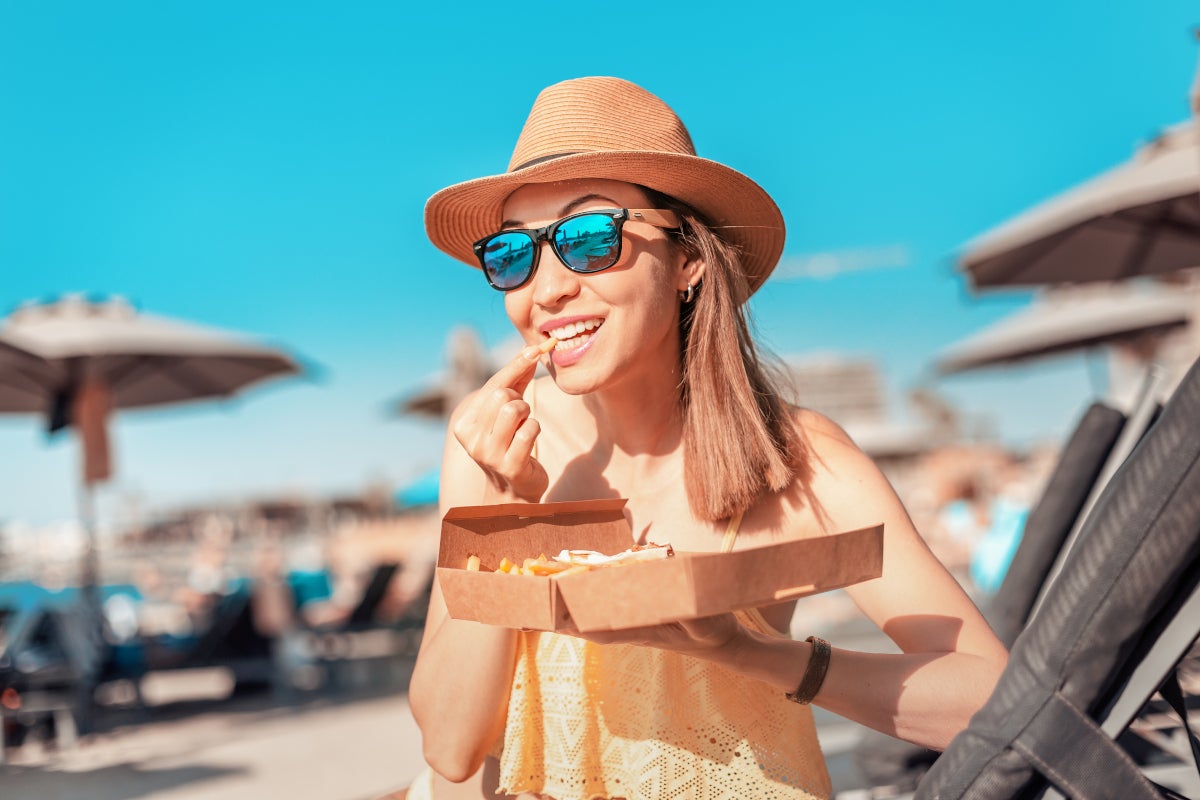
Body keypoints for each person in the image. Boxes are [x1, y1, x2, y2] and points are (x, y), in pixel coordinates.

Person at [405, 77, 1008, 800]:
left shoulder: (795, 458)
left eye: (589, 238)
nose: (548, 289)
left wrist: (754, 653)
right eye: (512, 256)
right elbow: (450, 745)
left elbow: (994, 699)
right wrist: (509, 521)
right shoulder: (494, 450)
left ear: (689, 259)